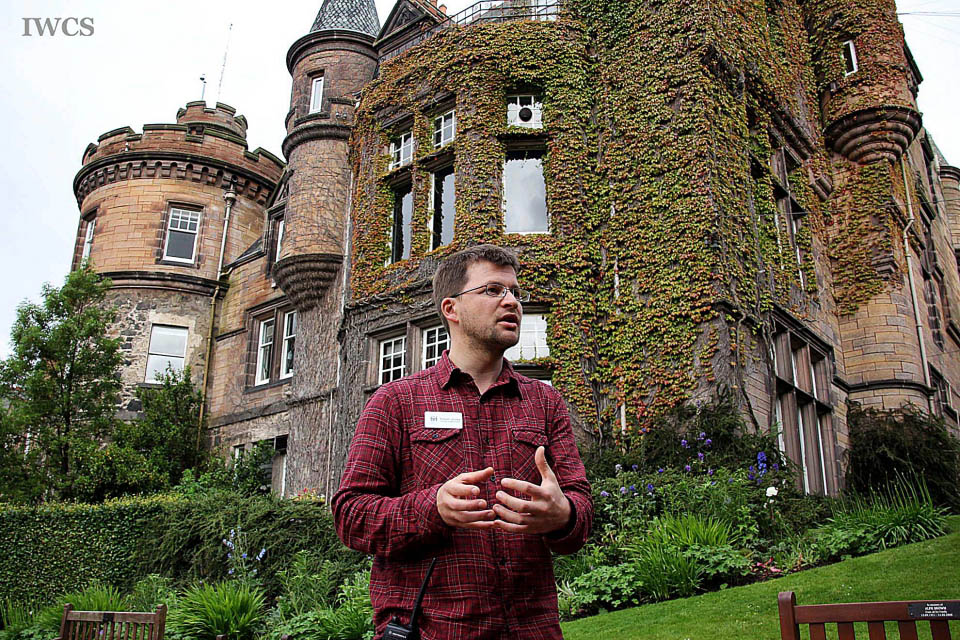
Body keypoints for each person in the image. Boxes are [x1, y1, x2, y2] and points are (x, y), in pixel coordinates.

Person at [332, 244, 593, 639]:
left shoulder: (545, 402)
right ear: (451, 309)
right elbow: (351, 515)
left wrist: (564, 515)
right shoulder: (396, 401)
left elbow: (581, 508)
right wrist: (432, 507)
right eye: (493, 290)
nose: (512, 302)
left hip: (532, 629)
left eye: (515, 292)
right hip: (433, 630)